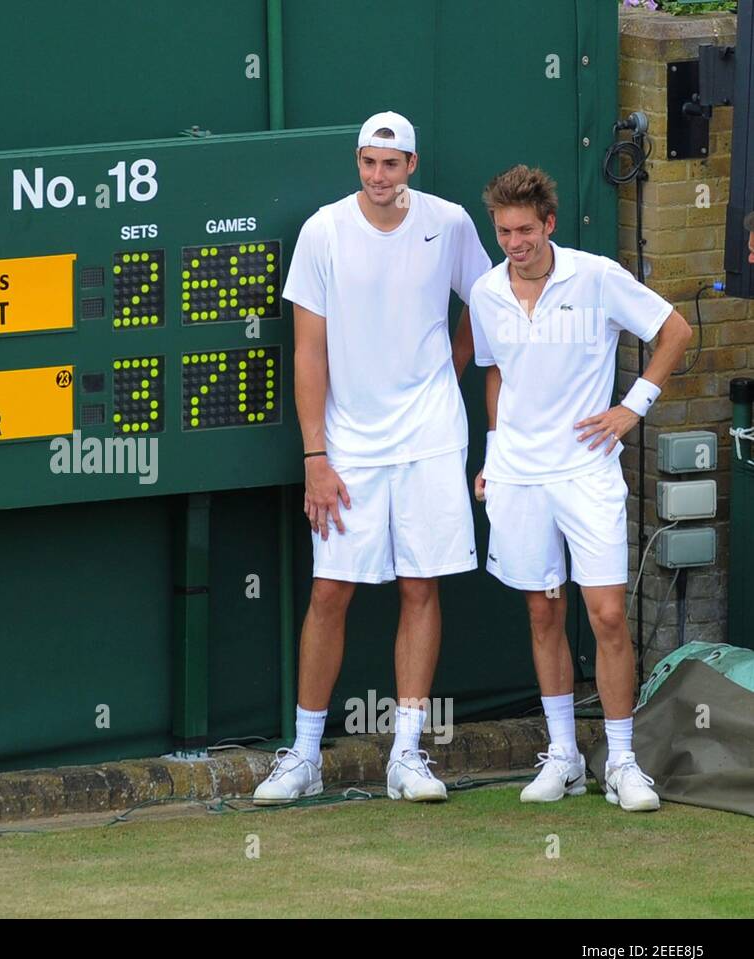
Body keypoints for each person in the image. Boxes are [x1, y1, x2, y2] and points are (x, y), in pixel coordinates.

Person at [255, 111, 491, 804]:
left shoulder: (448, 224)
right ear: (357, 163)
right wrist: (315, 454)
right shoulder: (323, 231)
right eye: (368, 163)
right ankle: (302, 756)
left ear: (412, 166)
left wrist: (448, 367)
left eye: (391, 164)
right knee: (331, 589)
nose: (378, 175)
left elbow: (487, 298)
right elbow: (307, 349)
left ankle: (408, 755)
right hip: (347, 445)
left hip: (429, 435)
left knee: (421, 583)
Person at [469, 164, 692, 811]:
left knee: (608, 614)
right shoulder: (486, 293)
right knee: (543, 610)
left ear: (549, 224)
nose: (515, 242)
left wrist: (632, 406)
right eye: (505, 230)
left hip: (588, 471)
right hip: (517, 474)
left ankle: (621, 760)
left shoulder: (595, 278)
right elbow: (496, 376)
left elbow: (674, 329)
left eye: (525, 230)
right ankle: (564, 756)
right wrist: (492, 452)